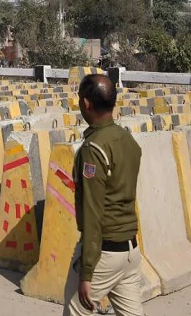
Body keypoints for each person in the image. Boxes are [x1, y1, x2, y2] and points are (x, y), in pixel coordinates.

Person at [63, 74, 143, 316]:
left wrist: (87, 272)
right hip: (130, 252)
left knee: (76, 311)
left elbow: (92, 213)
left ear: (86, 103)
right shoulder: (127, 140)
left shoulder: (93, 149)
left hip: (104, 255)